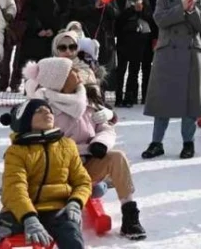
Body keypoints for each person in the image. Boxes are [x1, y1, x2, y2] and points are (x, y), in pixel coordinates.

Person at [24, 57, 146, 240]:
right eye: (72, 71)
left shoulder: (86, 100)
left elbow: (105, 127)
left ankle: (129, 215)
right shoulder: (43, 109)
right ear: (60, 79)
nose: (78, 73)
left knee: (117, 157)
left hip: (87, 164)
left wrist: (101, 142)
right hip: (57, 174)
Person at [0, 98, 91, 249]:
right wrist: (28, 217)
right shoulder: (17, 151)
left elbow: (82, 181)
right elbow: (14, 187)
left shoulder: (67, 145)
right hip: (19, 211)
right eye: (39, 111)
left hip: (57, 209)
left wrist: (76, 202)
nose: (47, 113)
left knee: (72, 237)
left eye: (49, 110)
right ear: (26, 119)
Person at [143, 0, 201, 160]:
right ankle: (157, 143)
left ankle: (188, 144)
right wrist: (181, 8)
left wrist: (191, 10)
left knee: (190, 104)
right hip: (168, 54)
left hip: (191, 53)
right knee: (162, 100)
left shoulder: (200, 0)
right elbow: (160, 20)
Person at [115, 0, 155, 108]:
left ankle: (129, 97)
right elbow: (119, 19)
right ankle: (118, 97)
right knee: (121, 69)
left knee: (134, 69)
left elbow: (150, 18)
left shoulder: (145, 1)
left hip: (140, 39)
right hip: (124, 38)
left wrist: (141, 10)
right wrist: (132, 9)